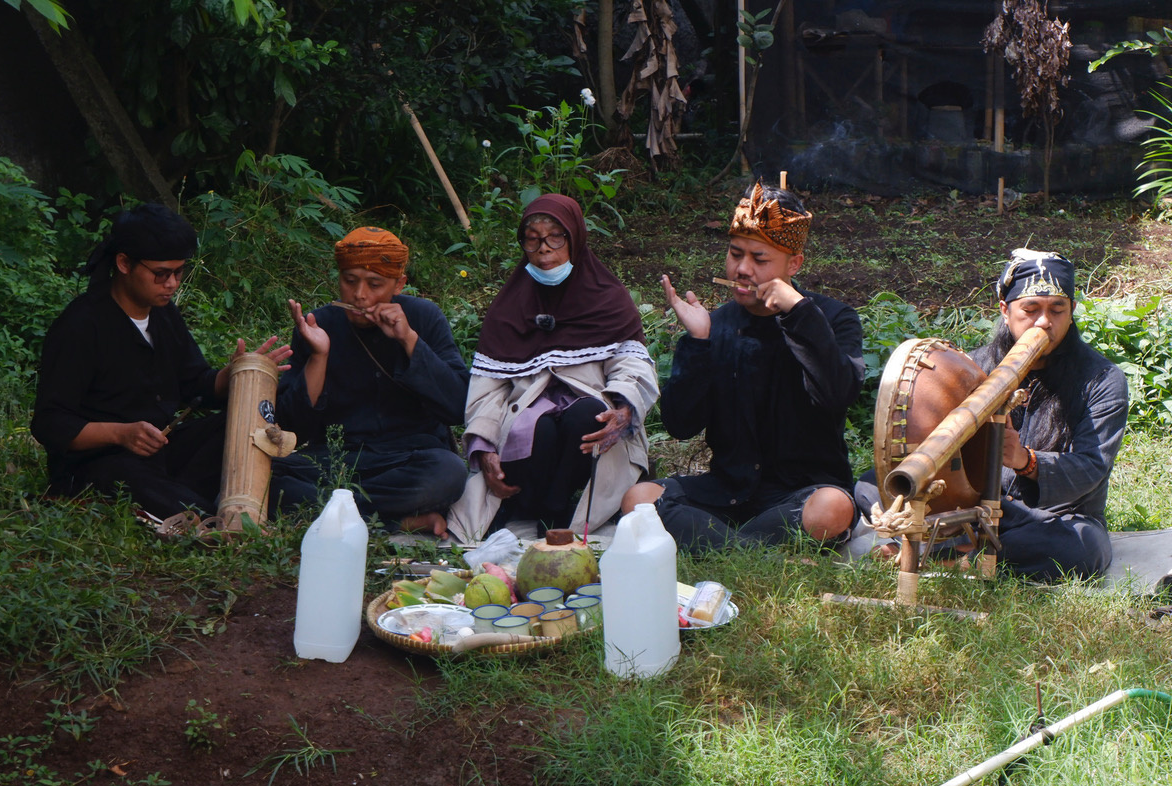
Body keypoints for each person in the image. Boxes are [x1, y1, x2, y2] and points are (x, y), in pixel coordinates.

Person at [856, 249, 1128, 581]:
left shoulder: (1102, 379)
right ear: (1004, 310)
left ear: (1071, 312)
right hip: (971, 507)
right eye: (1030, 310)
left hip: (1055, 515)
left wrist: (1026, 461)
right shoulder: (974, 367)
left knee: (1083, 548)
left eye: (1058, 309)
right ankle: (963, 548)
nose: (1044, 321)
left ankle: (951, 555)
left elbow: (1092, 468)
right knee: (876, 482)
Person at [622, 182, 865, 553]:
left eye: (759, 259)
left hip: (804, 493)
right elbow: (680, 424)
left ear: (793, 264)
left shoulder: (832, 318)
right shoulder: (716, 323)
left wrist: (799, 313)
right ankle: (752, 549)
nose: (742, 269)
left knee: (833, 508)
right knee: (638, 499)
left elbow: (838, 395)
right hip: (728, 492)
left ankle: (719, 545)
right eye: (735, 254)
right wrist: (698, 343)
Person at [32, 203, 294, 521]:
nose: (171, 284)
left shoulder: (164, 315)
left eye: (178, 272)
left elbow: (195, 384)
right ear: (124, 263)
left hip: (162, 451)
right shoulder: (81, 326)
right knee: (163, 495)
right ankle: (205, 513)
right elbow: (50, 424)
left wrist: (235, 374)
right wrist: (121, 434)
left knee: (238, 425)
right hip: (99, 463)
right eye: (161, 274)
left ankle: (208, 499)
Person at [447, 194, 659, 543]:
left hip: (589, 428)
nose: (544, 249)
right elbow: (488, 388)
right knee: (534, 427)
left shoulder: (606, 296)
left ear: (574, 238)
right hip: (526, 429)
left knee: (588, 414)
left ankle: (558, 507)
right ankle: (528, 505)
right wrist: (483, 447)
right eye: (532, 238)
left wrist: (623, 408)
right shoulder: (509, 306)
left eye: (555, 237)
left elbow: (631, 362)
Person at [275, 227, 468, 537]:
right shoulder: (318, 324)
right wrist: (318, 357)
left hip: (410, 457)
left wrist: (409, 340)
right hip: (339, 457)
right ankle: (393, 522)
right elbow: (292, 427)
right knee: (271, 477)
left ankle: (341, 513)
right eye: (349, 281)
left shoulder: (425, 317)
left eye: (375, 284)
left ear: (399, 285)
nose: (360, 295)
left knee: (450, 473)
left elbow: (458, 406)